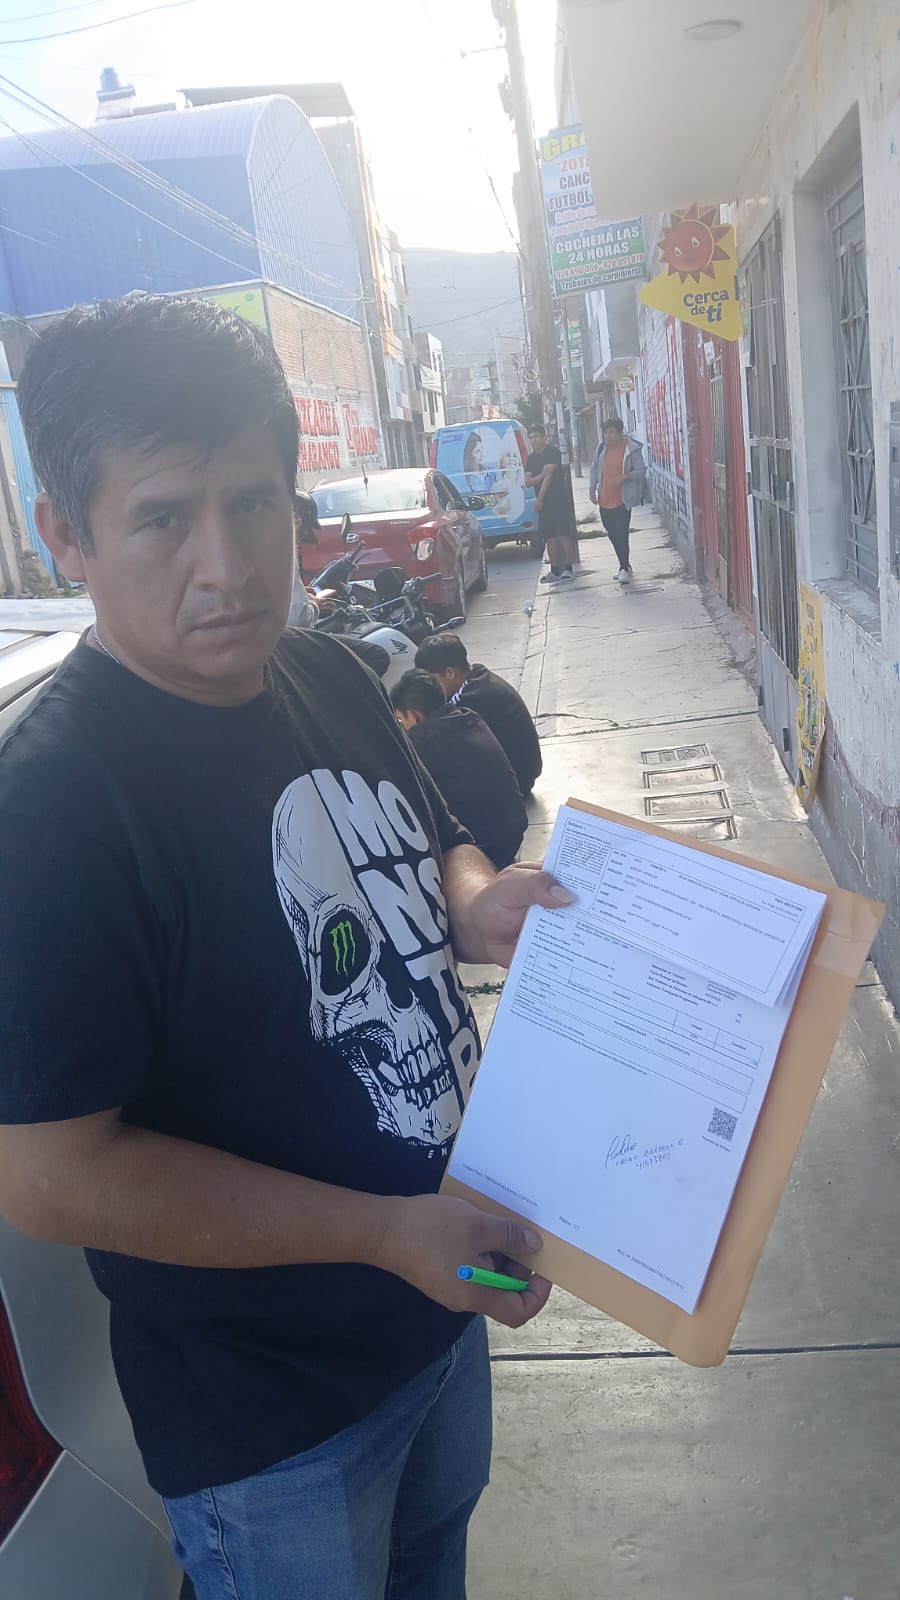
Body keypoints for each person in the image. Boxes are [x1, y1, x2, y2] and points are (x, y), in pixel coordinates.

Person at [0, 294, 572, 1600]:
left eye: (254, 502)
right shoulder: (54, 807)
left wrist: (475, 899)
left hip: (438, 1312)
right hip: (271, 1425)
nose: (231, 565)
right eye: (164, 516)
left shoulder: (323, 671)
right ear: (64, 533)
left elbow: (434, 835)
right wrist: (386, 1234)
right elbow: (48, 1177)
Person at [391, 669, 528, 871]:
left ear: (414, 715)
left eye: (401, 721)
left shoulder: (422, 742)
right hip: (513, 833)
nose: (401, 727)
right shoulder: (468, 716)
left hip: (484, 850)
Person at [414, 632, 542, 797]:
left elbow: (432, 736)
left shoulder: (467, 701)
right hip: (525, 772)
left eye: (432, 680)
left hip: (515, 783)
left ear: (450, 673)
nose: (429, 687)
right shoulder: (478, 677)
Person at [588, 415, 647, 583]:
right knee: (612, 534)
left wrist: (624, 477)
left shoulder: (631, 449)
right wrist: (592, 489)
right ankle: (625, 564)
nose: (608, 436)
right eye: (606, 432)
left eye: (611, 432)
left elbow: (641, 471)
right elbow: (594, 469)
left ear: (620, 433)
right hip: (604, 499)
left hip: (622, 500)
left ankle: (623, 568)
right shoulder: (601, 448)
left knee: (622, 533)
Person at [525, 423, 576, 586]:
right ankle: (554, 570)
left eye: (536, 436)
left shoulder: (552, 452)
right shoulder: (531, 459)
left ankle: (568, 568)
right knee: (549, 537)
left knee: (562, 534)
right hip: (544, 507)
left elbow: (549, 478)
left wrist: (539, 498)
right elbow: (528, 481)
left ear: (543, 437)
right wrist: (541, 475)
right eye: (530, 437)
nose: (533, 440)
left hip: (557, 500)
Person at [288, 491, 320, 627]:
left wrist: (301, 592)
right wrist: (314, 604)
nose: (306, 533)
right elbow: (298, 618)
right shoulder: (284, 552)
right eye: (305, 527)